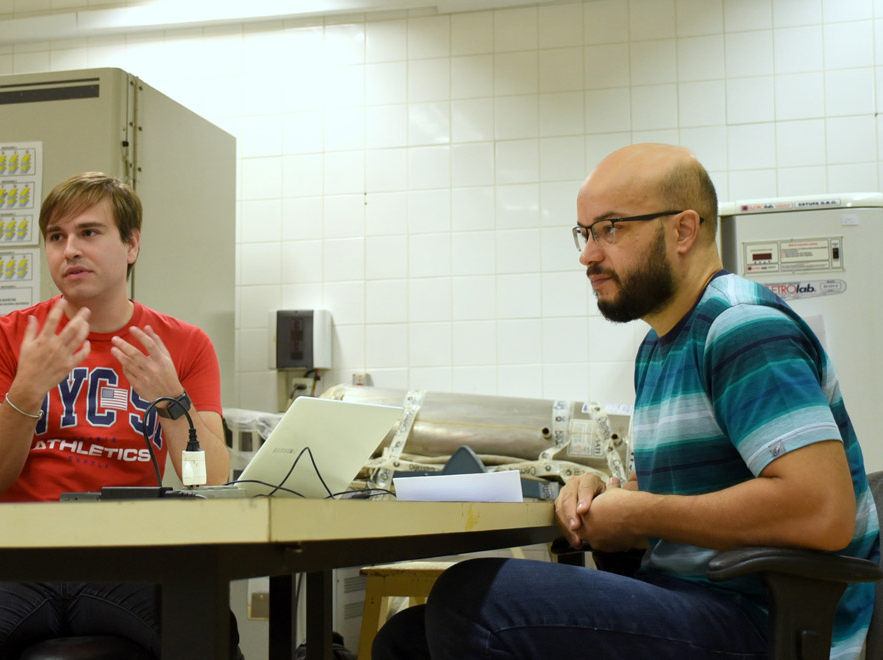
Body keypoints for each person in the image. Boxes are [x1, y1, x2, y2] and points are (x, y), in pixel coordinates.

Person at [372, 143, 880, 660]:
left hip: (763, 623)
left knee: (474, 598)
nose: (588, 254)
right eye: (585, 232)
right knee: (408, 638)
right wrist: (603, 495)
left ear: (683, 230)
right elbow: (686, 496)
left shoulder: (740, 327)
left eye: (610, 228)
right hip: (699, 600)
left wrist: (638, 514)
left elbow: (822, 510)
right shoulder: (658, 349)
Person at [0, 172, 237, 659]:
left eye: (89, 232)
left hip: (129, 559)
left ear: (131, 245)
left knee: (210, 637)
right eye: (56, 237)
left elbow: (209, 482)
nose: (70, 250)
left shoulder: (183, 345)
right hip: (17, 556)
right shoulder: (3, 338)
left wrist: (170, 399)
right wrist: (27, 389)